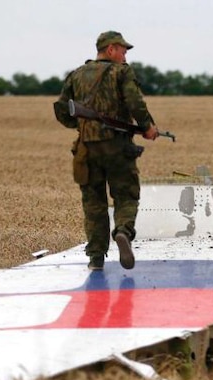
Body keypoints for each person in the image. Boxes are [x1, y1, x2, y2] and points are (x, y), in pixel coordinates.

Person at [54, 31, 159, 271]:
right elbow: (135, 103)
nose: (125, 56)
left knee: (93, 204)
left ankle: (96, 258)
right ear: (110, 49)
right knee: (126, 195)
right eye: (123, 51)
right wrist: (148, 127)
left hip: (86, 150)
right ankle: (122, 231)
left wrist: (81, 125)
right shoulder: (122, 72)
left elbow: (61, 109)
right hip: (118, 147)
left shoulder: (76, 75)